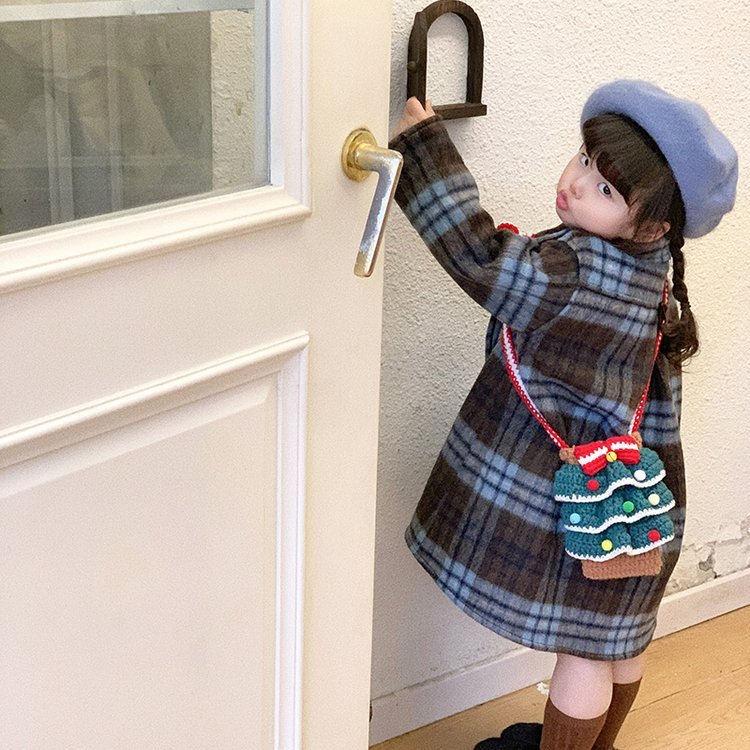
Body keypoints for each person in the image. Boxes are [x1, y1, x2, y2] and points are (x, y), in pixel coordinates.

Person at [388, 80, 737, 750]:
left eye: (605, 188)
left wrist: (424, 149)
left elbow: (483, 258)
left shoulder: (576, 272)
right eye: (583, 159)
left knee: (582, 654)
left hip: (575, 506)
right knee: (615, 636)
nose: (575, 184)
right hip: (636, 501)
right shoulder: (650, 268)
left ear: (653, 224)